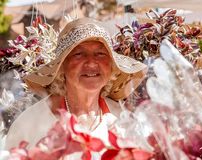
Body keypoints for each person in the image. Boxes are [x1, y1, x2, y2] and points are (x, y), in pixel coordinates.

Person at [5, 18, 147, 149]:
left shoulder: (122, 119)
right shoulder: (30, 124)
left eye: (100, 54)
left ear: (111, 66)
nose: (91, 62)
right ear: (61, 67)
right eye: (78, 54)